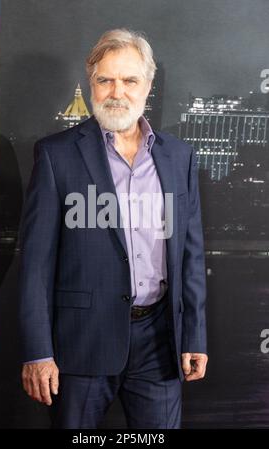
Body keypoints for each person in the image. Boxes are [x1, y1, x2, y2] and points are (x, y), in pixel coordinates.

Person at [18, 28, 208, 429]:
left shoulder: (178, 157)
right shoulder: (56, 155)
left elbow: (191, 255)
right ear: (91, 84)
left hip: (160, 343)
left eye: (129, 80)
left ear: (148, 85)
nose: (116, 91)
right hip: (82, 343)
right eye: (105, 80)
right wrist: (38, 352)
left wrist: (194, 336)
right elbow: (35, 265)